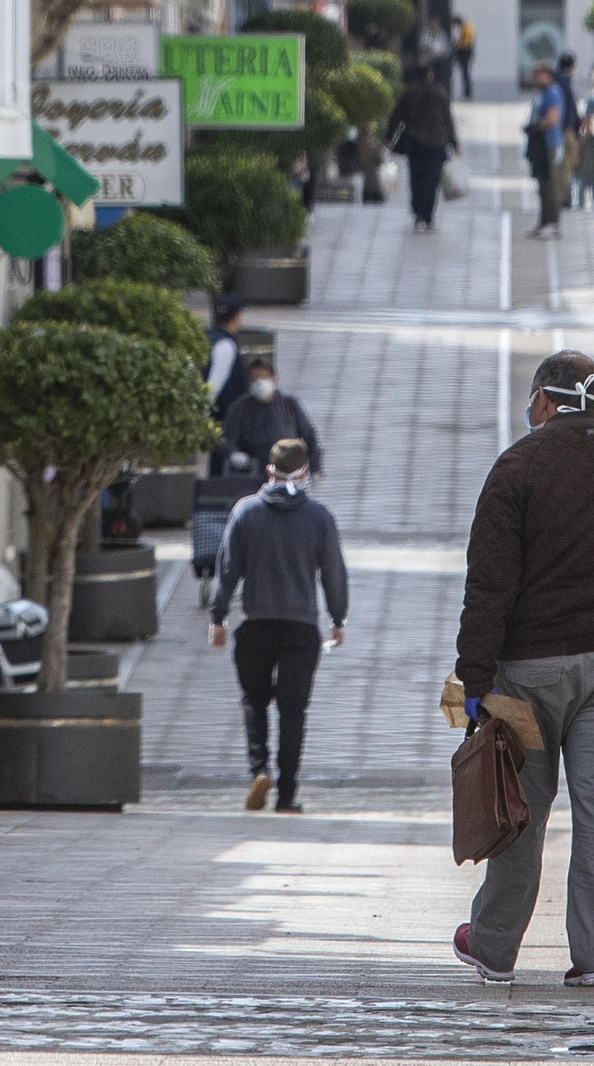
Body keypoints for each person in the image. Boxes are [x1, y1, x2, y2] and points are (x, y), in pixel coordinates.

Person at [452, 351, 594, 988]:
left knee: (519, 810)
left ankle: (493, 948)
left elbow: (488, 586)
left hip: (529, 675)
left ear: (544, 401)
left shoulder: (518, 466)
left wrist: (473, 684)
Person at [210, 439, 348, 814]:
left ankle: (259, 769)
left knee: (254, 700)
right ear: (304, 473)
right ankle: (287, 795)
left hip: (257, 625)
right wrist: (338, 618)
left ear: (268, 470)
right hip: (301, 629)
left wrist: (217, 617)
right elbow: (333, 573)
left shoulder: (246, 512)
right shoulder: (319, 517)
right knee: (293, 710)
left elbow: (227, 570)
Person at [220, 359, 323, 478]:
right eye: (255, 379)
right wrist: (233, 454)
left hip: (287, 471)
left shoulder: (289, 405)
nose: (259, 383)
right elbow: (227, 438)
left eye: (263, 378)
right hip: (253, 473)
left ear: (274, 379)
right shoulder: (239, 407)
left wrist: (315, 468)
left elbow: (309, 436)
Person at [387, 64, 459, 232]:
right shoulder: (440, 93)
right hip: (437, 144)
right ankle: (427, 215)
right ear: (430, 75)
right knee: (432, 181)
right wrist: (454, 143)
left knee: (416, 179)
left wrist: (388, 138)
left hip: (415, 143)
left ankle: (418, 213)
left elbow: (396, 118)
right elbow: (448, 120)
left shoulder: (409, 93)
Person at [205, 294, 249, 476]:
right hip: (225, 422)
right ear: (237, 317)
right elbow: (213, 386)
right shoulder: (225, 345)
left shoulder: (208, 338)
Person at [525, 62, 565, 240]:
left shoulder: (553, 92)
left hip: (549, 143)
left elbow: (553, 117)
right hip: (539, 143)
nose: (537, 79)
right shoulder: (541, 94)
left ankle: (553, 220)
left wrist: (537, 127)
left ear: (548, 75)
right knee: (542, 184)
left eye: (540, 75)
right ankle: (544, 219)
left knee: (550, 183)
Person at [556, 54, 582, 210]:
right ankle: (563, 198)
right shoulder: (563, 82)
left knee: (566, 164)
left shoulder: (560, 81)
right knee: (566, 165)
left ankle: (564, 197)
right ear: (572, 67)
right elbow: (568, 108)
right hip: (566, 130)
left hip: (566, 129)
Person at [420, 17, 455, 94]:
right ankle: (430, 90)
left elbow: (446, 45)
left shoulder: (442, 33)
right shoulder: (427, 33)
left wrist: (444, 53)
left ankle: (440, 90)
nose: (434, 25)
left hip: (441, 59)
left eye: (435, 23)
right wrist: (429, 49)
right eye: (432, 23)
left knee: (440, 75)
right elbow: (422, 43)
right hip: (430, 59)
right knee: (430, 75)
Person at [452, 15, 476, 100]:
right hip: (465, 52)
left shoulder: (466, 28)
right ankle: (466, 93)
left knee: (465, 74)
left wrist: (456, 44)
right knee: (465, 74)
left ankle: (467, 94)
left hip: (464, 53)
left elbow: (465, 42)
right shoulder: (468, 27)